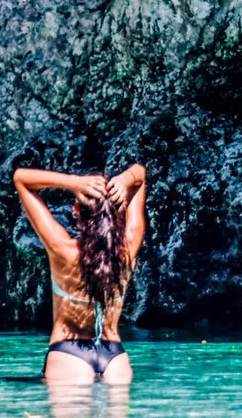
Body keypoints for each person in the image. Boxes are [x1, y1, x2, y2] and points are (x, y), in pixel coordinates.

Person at [12, 164, 147, 384]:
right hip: (114, 357)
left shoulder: (64, 250)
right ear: (118, 208)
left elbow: (21, 179)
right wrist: (124, 179)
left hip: (68, 353)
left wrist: (72, 182)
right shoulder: (127, 251)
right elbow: (140, 175)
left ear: (76, 209)